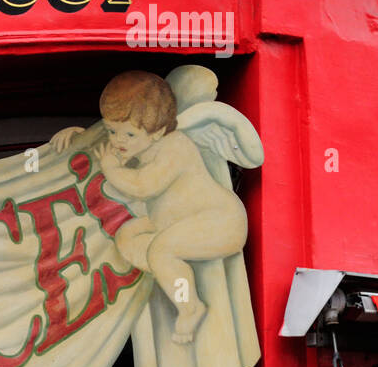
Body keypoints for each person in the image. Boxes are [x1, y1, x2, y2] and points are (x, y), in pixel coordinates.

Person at [51, 71, 248, 343]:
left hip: (219, 221)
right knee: (127, 236)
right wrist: (79, 137)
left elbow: (143, 186)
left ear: (156, 133)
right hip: (171, 220)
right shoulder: (139, 143)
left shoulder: (175, 147)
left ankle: (190, 306)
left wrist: (110, 167)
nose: (118, 141)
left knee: (161, 251)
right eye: (111, 130)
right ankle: (170, 273)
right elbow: (104, 149)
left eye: (128, 134)